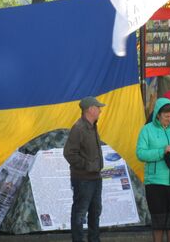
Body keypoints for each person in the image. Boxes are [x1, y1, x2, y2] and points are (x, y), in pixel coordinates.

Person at [136, 97, 170, 242]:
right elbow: (140, 153)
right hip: (155, 182)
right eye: (166, 116)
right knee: (158, 223)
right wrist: (162, 151)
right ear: (158, 115)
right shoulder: (147, 130)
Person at [64, 96, 106, 242]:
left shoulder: (92, 126)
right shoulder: (79, 128)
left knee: (95, 212)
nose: (100, 110)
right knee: (80, 213)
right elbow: (69, 153)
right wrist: (87, 165)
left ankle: (94, 240)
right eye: (98, 107)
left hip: (95, 178)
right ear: (90, 109)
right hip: (83, 179)